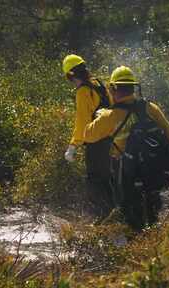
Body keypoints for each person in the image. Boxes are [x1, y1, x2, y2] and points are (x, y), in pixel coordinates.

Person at [84, 66, 169, 230]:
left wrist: (100, 116)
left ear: (114, 88)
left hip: (126, 170)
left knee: (129, 211)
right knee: (152, 209)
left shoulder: (109, 116)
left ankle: (134, 244)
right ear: (133, 88)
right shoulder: (150, 108)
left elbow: (88, 135)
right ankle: (152, 239)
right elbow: (168, 131)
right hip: (152, 168)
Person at [62, 54, 115, 218]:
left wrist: (73, 146)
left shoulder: (83, 91)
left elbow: (82, 122)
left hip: (96, 142)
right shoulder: (99, 84)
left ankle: (102, 219)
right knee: (110, 178)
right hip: (113, 139)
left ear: (70, 75)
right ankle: (115, 216)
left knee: (95, 180)